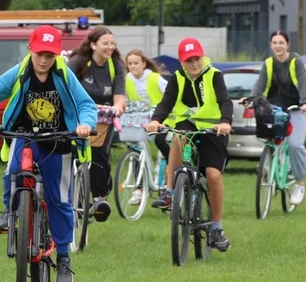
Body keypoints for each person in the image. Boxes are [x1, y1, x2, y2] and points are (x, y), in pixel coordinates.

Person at [0, 26, 96, 282]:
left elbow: (86, 104)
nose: (44, 60)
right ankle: (9, 210)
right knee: (13, 170)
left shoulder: (64, 74)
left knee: (59, 200)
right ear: (29, 50)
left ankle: (64, 258)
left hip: (59, 138)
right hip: (25, 135)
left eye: (50, 55)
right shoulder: (20, 73)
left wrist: (85, 124)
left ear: (57, 54)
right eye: (40, 54)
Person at [146, 38, 233, 252]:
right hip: (187, 125)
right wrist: (156, 120)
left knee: (213, 175)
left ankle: (216, 227)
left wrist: (225, 122)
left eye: (197, 59)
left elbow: (224, 101)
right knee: (179, 135)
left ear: (203, 57)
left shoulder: (214, 75)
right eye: (188, 61)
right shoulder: (177, 77)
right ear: (181, 61)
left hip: (213, 129)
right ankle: (168, 191)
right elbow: (167, 101)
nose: (194, 64)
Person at [67, 26, 126, 221]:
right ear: (93, 45)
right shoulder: (78, 62)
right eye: (105, 43)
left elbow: (119, 96)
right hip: (77, 116)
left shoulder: (115, 65)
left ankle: (100, 198)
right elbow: (64, 85)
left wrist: (117, 107)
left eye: (112, 43)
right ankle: (75, 199)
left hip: (103, 119)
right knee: (74, 155)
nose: (110, 47)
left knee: (100, 154)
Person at [250, 30, 306, 205]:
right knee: (268, 138)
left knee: (294, 144)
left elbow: (304, 83)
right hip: (275, 109)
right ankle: (268, 166)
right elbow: (259, 85)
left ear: (288, 44)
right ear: (271, 45)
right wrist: (251, 98)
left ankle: (299, 183)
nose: (278, 46)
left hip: (297, 109)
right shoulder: (269, 63)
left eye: (281, 42)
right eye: (274, 43)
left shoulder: (296, 62)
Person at [124, 49, 170, 205]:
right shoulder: (126, 80)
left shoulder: (155, 78)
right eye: (129, 64)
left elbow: (171, 94)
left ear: (144, 63)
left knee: (161, 143)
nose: (133, 66)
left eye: (136, 63)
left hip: (163, 120)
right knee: (135, 148)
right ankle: (141, 187)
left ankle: (165, 181)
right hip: (140, 120)